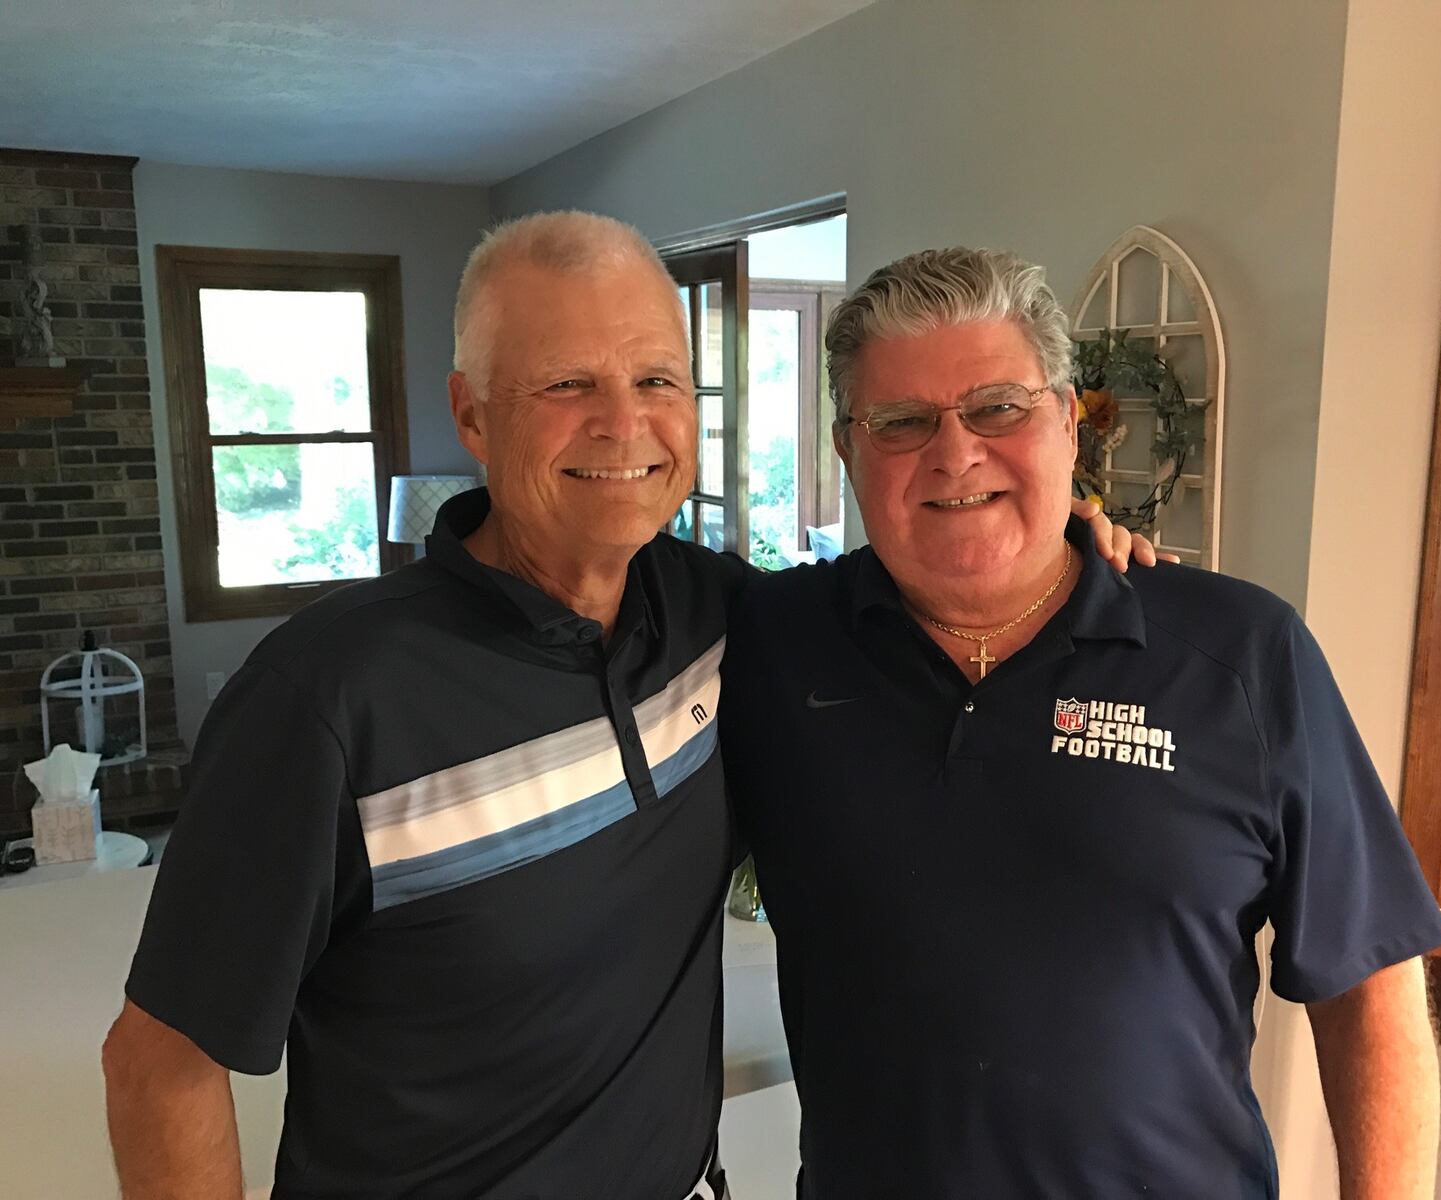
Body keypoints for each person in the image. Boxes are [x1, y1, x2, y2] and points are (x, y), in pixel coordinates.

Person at [101, 213, 1150, 1199]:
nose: (623, 423)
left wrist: (1066, 542)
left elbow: (938, 574)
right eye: (565, 383)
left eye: (657, 377)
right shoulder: (326, 695)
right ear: (470, 411)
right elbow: (161, 1067)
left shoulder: (729, 619)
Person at [719, 247, 1441, 1199]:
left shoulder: (1239, 653)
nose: (956, 452)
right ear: (846, 448)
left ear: (1068, 421)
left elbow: (1370, 982)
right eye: (901, 421)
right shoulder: (771, 646)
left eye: (999, 407)